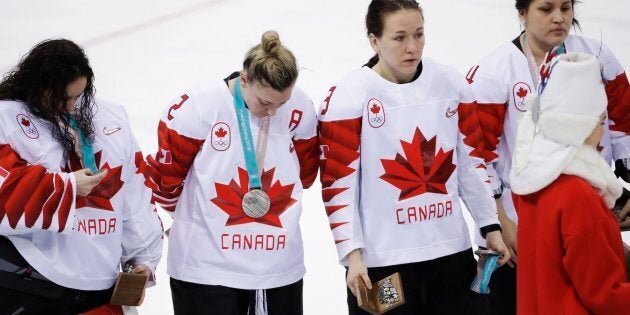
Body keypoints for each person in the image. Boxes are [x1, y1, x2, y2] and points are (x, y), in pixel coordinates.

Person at [317, 1, 510, 314]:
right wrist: (352, 257)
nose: (412, 47)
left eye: (419, 35)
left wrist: (491, 227)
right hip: (384, 267)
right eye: (400, 37)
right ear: (374, 40)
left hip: (451, 259)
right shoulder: (349, 97)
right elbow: (339, 187)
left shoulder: (450, 83)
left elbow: (472, 163)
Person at [467, 1, 630, 313]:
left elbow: (622, 127)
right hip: (518, 221)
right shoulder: (494, 71)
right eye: (545, 9)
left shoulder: (597, 56)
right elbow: (476, 159)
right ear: (522, 13)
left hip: (578, 211)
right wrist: (500, 224)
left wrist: (614, 198)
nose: (559, 18)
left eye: (565, 8)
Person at [144, 30, 318, 315]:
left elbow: (307, 175)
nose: (273, 112)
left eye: (282, 103)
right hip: (206, 269)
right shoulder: (199, 108)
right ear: (244, 79)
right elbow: (165, 182)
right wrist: (199, 217)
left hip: (276, 269)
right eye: (264, 102)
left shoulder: (301, 108)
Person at [0, 39, 163, 314]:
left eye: (79, 95)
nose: (71, 106)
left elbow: (134, 193)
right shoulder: (6, 117)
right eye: (62, 97)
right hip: (31, 280)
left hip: (102, 284)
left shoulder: (111, 116)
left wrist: (143, 256)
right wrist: (68, 186)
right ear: (39, 85)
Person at [511, 52, 630, 314]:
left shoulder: (529, 183)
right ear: (578, 125)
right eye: (600, 121)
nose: (601, 132)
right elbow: (604, 296)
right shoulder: (579, 198)